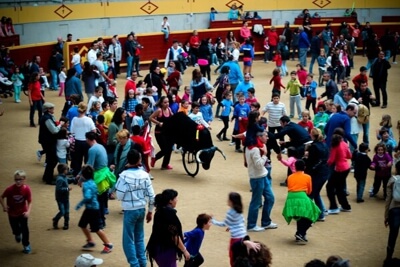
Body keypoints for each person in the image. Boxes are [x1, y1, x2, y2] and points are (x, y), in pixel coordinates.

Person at [115, 148, 155, 267]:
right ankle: (142, 263)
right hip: (141, 210)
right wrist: (150, 211)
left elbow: (119, 195)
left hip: (129, 210)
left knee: (128, 240)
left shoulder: (123, 176)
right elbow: (152, 196)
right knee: (139, 238)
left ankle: (134, 264)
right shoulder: (145, 175)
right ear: (139, 160)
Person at [75, 165, 113, 254]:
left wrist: (80, 204)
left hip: (92, 209)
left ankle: (108, 244)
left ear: (83, 176)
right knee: (82, 224)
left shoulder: (86, 185)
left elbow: (88, 197)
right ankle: (90, 241)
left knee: (96, 228)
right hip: (92, 208)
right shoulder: (93, 182)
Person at [146, 189, 190, 267]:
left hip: (158, 249)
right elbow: (174, 236)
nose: (177, 200)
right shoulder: (169, 214)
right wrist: (184, 250)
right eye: (176, 198)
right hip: (165, 251)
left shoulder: (160, 210)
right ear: (170, 201)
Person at [245, 130, 278, 231]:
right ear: (259, 137)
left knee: (270, 198)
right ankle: (251, 225)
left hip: (262, 176)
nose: (267, 138)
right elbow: (259, 165)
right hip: (257, 178)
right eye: (265, 136)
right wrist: (265, 154)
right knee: (256, 202)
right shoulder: (254, 149)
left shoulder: (253, 147)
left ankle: (266, 222)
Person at [282, 160, 321, 244]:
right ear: (305, 167)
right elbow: (309, 191)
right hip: (302, 196)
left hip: (291, 197)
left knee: (299, 216)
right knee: (315, 213)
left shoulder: (290, 177)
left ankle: (299, 234)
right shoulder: (307, 177)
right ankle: (301, 233)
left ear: (295, 167)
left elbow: (289, 187)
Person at [0, 170, 32, 254]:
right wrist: (4, 206)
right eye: (16, 179)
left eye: (20, 179)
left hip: (22, 212)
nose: (18, 181)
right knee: (15, 229)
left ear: (24, 179)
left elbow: (30, 202)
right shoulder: (10, 189)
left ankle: (26, 244)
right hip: (12, 213)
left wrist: (28, 211)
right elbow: (1, 197)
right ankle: (17, 233)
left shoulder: (27, 189)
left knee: (25, 229)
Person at [212, 192, 247, 266]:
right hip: (244, 237)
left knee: (233, 257)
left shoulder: (230, 212)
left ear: (231, 201)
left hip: (236, 238)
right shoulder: (239, 210)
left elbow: (223, 224)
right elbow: (241, 222)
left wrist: (213, 220)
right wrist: (231, 226)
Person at [304, 128, 330, 221]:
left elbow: (310, 162)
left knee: (311, 194)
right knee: (316, 193)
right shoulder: (324, 145)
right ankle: (321, 213)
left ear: (312, 135)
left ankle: (309, 214)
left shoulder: (313, 147)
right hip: (324, 172)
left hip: (316, 173)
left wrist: (305, 156)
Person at [326, 132, 352, 214]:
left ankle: (334, 207)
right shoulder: (344, 143)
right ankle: (345, 206)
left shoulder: (335, 145)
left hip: (339, 169)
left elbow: (331, 160)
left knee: (329, 187)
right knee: (339, 188)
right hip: (346, 168)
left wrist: (325, 163)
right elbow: (349, 156)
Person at [40, 102, 65, 184]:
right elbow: (54, 130)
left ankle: (46, 176)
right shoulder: (47, 118)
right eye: (52, 108)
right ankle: (48, 179)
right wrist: (60, 125)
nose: (53, 109)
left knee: (51, 159)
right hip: (48, 141)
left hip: (48, 141)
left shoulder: (48, 117)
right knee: (52, 160)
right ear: (48, 110)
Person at [149, 96, 174, 170]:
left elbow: (173, 117)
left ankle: (165, 165)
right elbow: (150, 118)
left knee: (169, 149)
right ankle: (155, 158)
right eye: (165, 102)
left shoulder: (169, 109)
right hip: (159, 133)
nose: (167, 104)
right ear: (161, 103)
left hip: (167, 132)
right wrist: (158, 123)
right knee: (165, 149)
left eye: (168, 102)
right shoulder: (159, 111)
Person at [384, 161, 400, 266]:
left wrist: (386, 216)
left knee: (393, 235)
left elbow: (388, 199)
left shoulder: (393, 180)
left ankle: (388, 258)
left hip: (395, 210)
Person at [52, 163, 77, 230]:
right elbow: (59, 189)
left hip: (65, 197)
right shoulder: (60, 179)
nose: (67, 170)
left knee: (67, 211)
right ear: (63, 170)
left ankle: (66, 224)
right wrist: (67, 189)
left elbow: (68, 180)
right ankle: (55, 219)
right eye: (67, 169)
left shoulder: (64, 177)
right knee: (62, 211)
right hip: (60, 198)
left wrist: (74, 179)